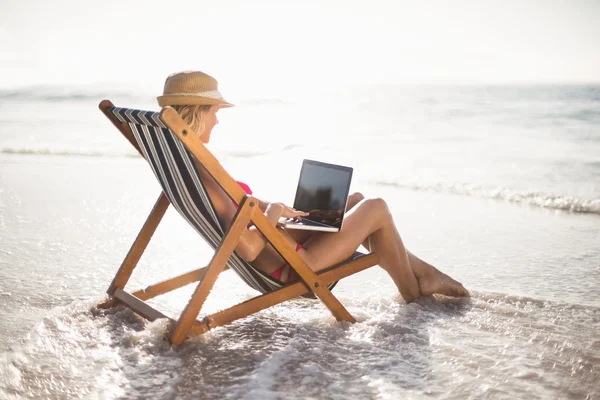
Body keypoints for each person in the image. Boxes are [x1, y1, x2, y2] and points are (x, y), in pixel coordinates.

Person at [157, 71, 469, 303]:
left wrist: (279, 210)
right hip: (292, 264)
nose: (217, 121)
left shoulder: (186, 163)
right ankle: (416, 295)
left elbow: (240, 209)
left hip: (282, 246)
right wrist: (276, 211)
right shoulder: (205, 172)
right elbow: (249, 248)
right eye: (214, 112)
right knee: (375, 208)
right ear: (197, 112)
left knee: (355, 200)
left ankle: (425, 276)